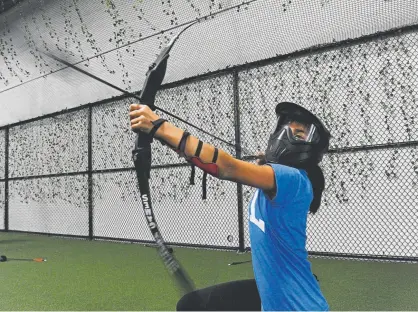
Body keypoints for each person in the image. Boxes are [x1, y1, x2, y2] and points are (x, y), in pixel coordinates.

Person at [129, 101, 331, 311]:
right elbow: (205, 158)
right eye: (285, 130)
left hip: (300, 306)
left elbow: (226, 166)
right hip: (274, 297)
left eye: (298, 134)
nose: (286, 137)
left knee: (191, 306)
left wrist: (160, 126)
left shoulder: (294, 180)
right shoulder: (278, 180)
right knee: (192, 305)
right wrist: (164, 137)